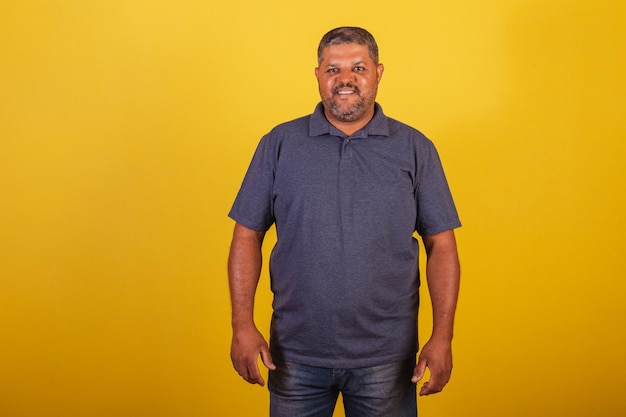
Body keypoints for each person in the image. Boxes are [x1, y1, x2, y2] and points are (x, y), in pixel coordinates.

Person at [227, 26, 461, 417]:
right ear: (317, 75)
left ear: (378, 73)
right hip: (293, 354)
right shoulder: (279, 144)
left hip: (388, 357)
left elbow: (443, 246)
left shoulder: (415, 148)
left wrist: (442, 337)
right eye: (333, 69)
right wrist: (241, 325)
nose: (345, 79)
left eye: (358, 67)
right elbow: (245, 235)